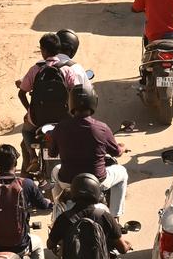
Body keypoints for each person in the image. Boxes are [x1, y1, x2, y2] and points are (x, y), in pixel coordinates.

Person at [50, 84, 129, 220]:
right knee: (122, 172)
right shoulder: (102, 128)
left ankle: (58, 208)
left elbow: (52, 153)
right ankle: (115, 216)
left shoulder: (60, 128)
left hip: (67, 181)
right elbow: (116, 152)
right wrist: (122, 147)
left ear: (70, 104)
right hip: (98, 181)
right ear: (93, 102)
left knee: (55, 171)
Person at [17, 32, 87, 172]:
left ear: (43, 50)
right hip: (64, 117)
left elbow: (21, 93)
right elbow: (76, 92)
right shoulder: (67, 69)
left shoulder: (36, 69)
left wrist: (29, 110)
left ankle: (33, 157)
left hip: (38, 119)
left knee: (26, 131)